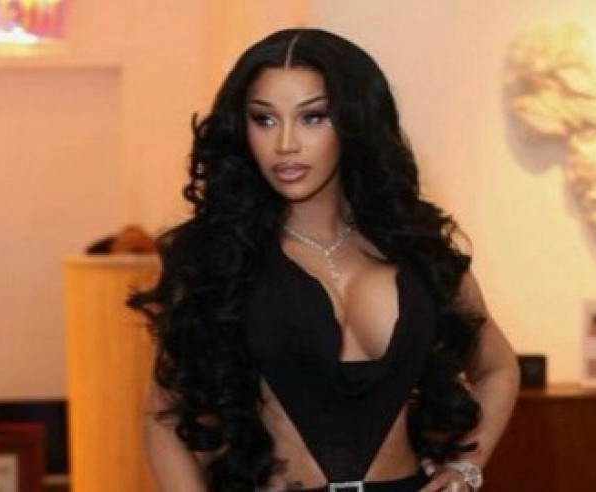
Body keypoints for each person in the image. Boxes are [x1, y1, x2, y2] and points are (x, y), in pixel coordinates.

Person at [129, 27, 519, 492]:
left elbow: (498, 368)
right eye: (264, 119)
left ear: (354, 122)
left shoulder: (417, 252)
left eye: (313, 117)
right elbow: (163, 418)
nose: (285, 143)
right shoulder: (217, 258)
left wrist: (467, 468)